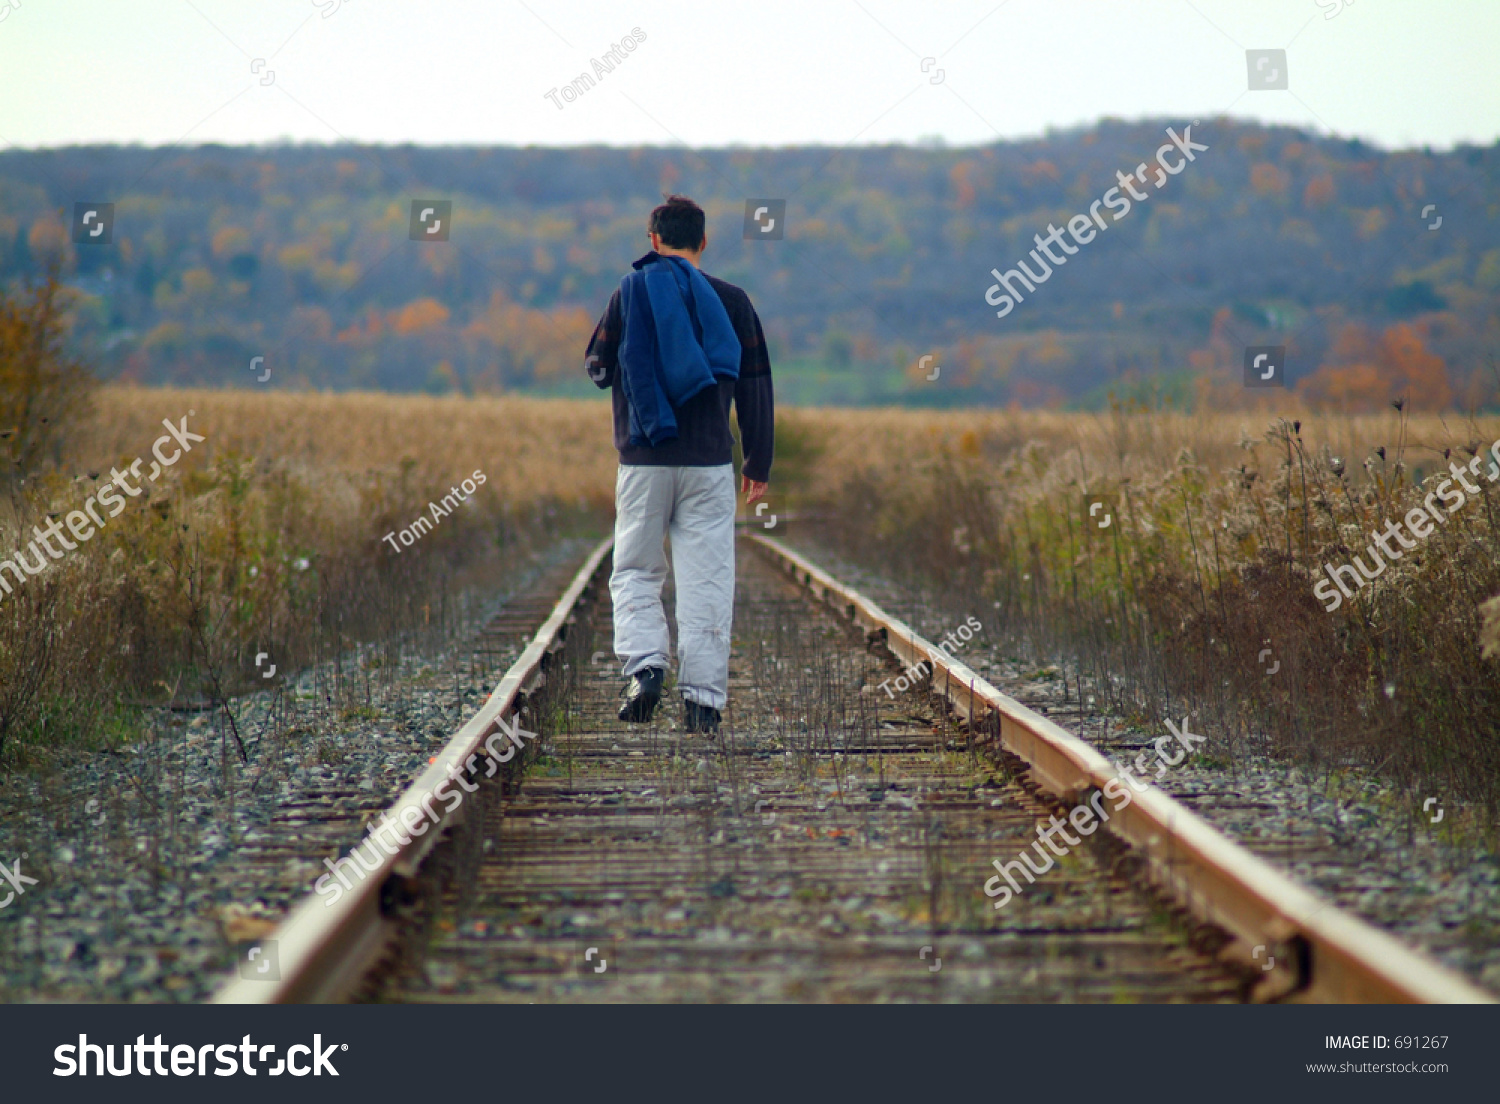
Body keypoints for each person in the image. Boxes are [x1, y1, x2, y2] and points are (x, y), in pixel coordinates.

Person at [584, 194, 774, 735]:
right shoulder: (734, 302)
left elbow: (597, 366)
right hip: (711, 463)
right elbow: (756, 383)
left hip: (644, 462)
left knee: (636, 571)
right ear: (704, 242)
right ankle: (702, 704)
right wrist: (757, 459)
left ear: (653, 240)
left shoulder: (630, 292)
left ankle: (646, 669)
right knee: (707, 580)